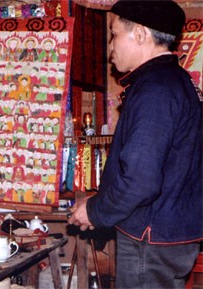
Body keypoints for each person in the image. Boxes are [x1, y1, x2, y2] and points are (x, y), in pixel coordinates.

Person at [68, 1, 203, 288]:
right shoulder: (177, 81)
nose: (111, 48)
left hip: (149, 239)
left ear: (140, 34)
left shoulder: (155, 88)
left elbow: (141, 179)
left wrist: (95, 211)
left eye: (114, 34)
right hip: (169, 233)